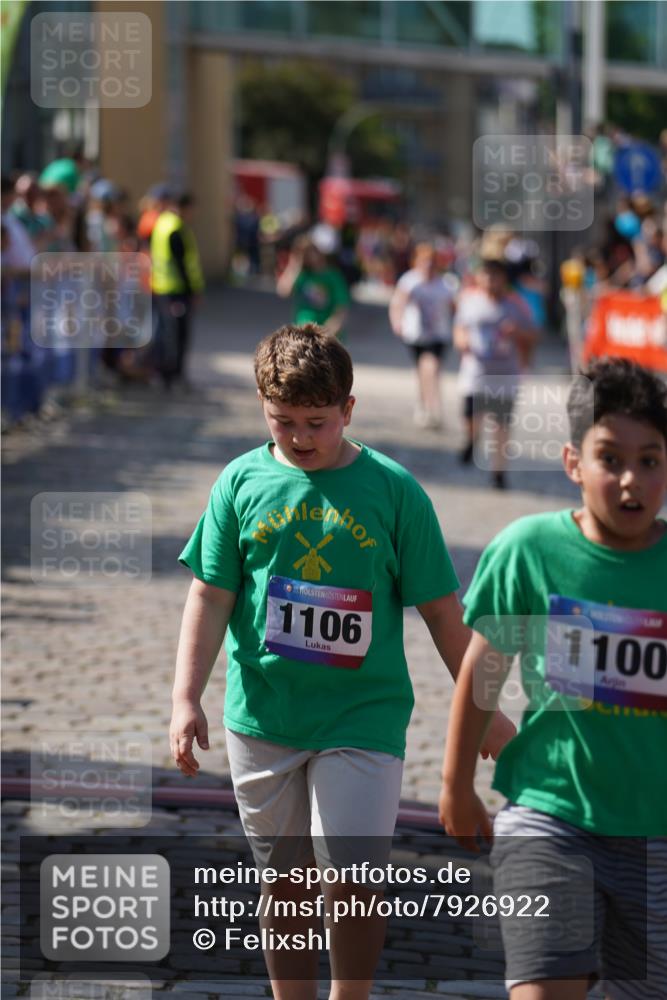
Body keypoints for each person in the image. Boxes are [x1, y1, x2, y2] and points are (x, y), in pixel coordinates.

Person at [170, 324, 515, 1000]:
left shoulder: (392, 491)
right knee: (284, 880)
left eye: (316, 422)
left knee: (352, 874)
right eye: (282, 421)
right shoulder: (240, 483)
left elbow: (445, 614)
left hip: (364, 717)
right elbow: (209, 596)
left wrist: (489, 714)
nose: (299, 437)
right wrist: (186, 696)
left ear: (348, 410)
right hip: (262, 718)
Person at [439, 358, 667, 1000]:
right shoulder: (529, 551)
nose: (632, 479)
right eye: (610, 458)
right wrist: (457, 785)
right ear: (573, 463)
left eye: (651, 459)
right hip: (550, 815)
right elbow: (484, 674)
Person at [454, 258, 537, 489]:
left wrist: (518, 332)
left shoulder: (516, 304)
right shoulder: (470, 300)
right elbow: (459, 327)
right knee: (471, 417)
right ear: (479, 277)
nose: (491, 281)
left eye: (496, 275)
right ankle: (471, 439)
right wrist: (462, 342)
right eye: (486, 275)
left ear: (504, 279)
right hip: (475, 371)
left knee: (501, 424)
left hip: (504, 373)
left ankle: (498, 472)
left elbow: (533, 335)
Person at [389, 242, 457, 429]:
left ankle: (433, 408)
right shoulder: (409, 281)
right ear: (416, 262)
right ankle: (425, 405)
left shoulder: (446, 284)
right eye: (424, 261)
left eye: (431, 261)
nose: (428, 265)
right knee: (424, 370)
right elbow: (398, 303)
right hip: (416, 334)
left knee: (432, 368)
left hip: (439, 335)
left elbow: (455, 308)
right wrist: (397, 322)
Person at [150, 191, 204, 389]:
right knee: (177, 336)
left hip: (162, 287)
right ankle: (172, 376)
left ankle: (163, 374)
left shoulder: (163, 223)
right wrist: (194, 291)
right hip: (176, 290)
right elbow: (182, 263)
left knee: (165, 332)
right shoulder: (175, 228)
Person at [276, 235, 349, 340]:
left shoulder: (332, 275)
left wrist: (335, 323)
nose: (309, 256)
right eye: (304, 254)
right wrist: (295, 264)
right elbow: (283, 291)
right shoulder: (301, 275)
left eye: (311, 251)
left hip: (327, 331)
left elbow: (342, 305)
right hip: (303, 330)